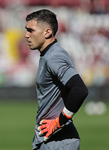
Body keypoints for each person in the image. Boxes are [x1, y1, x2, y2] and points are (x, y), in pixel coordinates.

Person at [24, 9, 88, 150]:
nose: (26, 35)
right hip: (51, 140)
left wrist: (58, 122)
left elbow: (80, 89)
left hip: (58, 142)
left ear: (47, 32)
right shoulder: (48, 55)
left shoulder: (54, 57)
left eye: (31, 30)